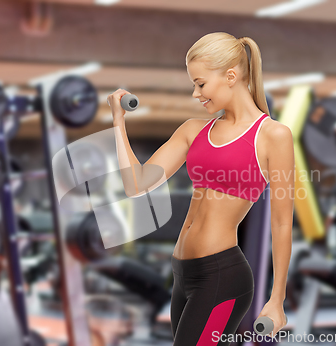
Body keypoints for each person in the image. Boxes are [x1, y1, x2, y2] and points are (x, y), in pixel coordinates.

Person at [107, 32, 294, 345]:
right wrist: (117, 121)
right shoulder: (194, 130)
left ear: (231, 76)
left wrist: (277, 300)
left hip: (221, 277)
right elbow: (136, 184)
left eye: (201, 83)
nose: (195, 93)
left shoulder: (272, 135)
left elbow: (281, 222)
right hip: (182, 275)